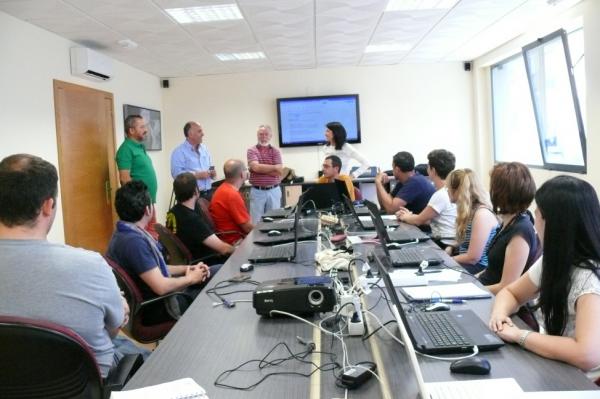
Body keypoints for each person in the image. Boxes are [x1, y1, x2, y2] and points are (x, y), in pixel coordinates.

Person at [0, 154, 148, 377]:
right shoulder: (91, 266)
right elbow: (112, 329)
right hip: (91, 386)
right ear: (48, 206)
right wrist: (121, 307)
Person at [489, 176, 600, 377]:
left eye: (538, 212)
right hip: (554, 366)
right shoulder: (555, 259)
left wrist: (520, 335)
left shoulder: (589, 279)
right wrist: (500, 315)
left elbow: (587, 354)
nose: (535, 217)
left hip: (581, 381)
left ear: (555, 223)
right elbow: (511, 293)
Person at [106, 181, 211, 324]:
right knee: (212, 289)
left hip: (147, 304)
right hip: (156, 309)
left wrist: (186, 269)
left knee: (213, 272)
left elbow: (152, 269)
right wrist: (191, 278)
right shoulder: (134, 243)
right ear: (148, 210)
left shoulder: (123, 233)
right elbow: (161, 286)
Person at [478, 162, 538, 294]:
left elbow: (506, 286)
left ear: (501, 193)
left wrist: (471, 290)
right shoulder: (510, 221)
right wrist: (471, 281)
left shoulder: (521, 231)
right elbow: (492, 270)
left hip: (494, 298)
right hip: (485, 291)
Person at [167, 172, 234, 262]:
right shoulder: (192, 219)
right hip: (207, 263)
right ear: (196, 191)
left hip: (189, 261)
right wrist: (239, 250)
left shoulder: (172, 212)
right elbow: (223, 249)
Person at [397, 149, 456, 245]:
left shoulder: (440, 195)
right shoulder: (451, 190)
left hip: (443, 243)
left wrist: (404, 217)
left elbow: (419, 221)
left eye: (428, 165)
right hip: (450, 241)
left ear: (433, 170)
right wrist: (409, 216)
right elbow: (428, 219)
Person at [445, 168, 499, 274]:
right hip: (469, 264)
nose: (447, 191)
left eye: (448, 188)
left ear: (458, 190)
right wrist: (451, 247)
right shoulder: (471, 211)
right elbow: (468, 242)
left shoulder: (481, 215)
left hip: (478, 268)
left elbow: (473, 258)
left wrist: (446, 260)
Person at [116, 114, 159, 239]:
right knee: (145, 238)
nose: (146, 130)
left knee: (153, 235)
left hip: (148, 203)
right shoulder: (125, 150)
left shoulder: (140, 147)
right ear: (131, 130)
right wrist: (139, 203)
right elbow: (125, 180)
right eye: (142, 127)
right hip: (140, 207)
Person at [209, 160, 253, 245]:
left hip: (228, 238)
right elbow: (247, 228)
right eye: (246, 169)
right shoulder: (231, 195)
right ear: (242, 174)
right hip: (235, 242)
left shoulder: (224, 188)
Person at [247, 124, 283, 224]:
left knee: (274, 221)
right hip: (257, 191)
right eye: (261, 134)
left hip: (274, 190)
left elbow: (279, 171)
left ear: (270, 136)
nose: (263, 136)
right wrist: (274, 167)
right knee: (256, 222)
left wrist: (260, 169)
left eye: (266, 134)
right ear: (257, 135)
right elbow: (255, 167)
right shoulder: (251, 150)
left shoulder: (276, 151)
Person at [170, 121, 216, 200]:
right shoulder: (179, 152)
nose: (203, 134)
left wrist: (213, 172)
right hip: (191, 197)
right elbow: (177, 175)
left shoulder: (205, 149)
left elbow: (210, 166)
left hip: (209, 193)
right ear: (190, 134)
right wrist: (197, 175)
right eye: (199, 131)